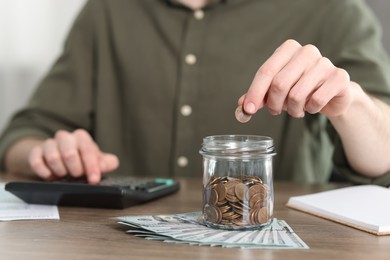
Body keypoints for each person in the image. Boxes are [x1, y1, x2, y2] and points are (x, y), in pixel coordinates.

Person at [1, 0, 390, 186]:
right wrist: (45, 153)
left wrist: (351, 104)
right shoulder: (106, 11)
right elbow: (24, 135)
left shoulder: (334, 11)